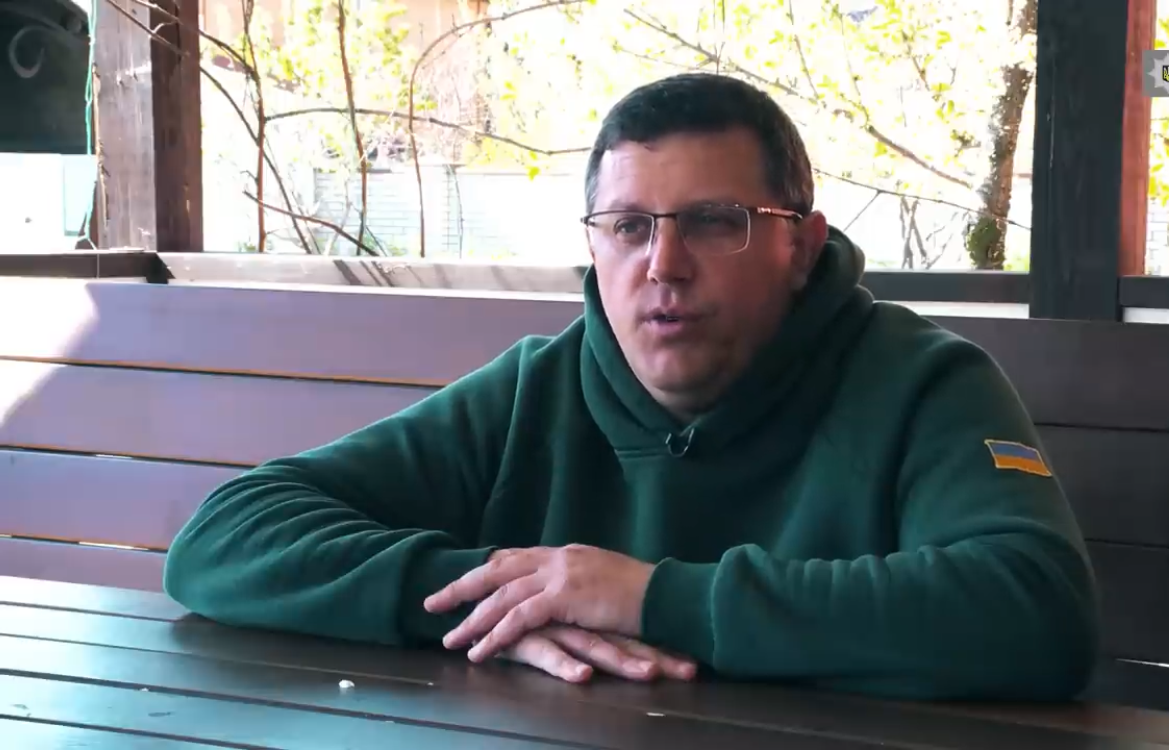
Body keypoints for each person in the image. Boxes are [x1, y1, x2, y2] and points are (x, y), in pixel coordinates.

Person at [164, 72, 1099, 700]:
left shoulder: (924, 384)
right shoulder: (537, 389)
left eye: (715, 222)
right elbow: (226, 535)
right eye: (628, 226)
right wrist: (502, 603)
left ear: (801, 247)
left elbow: (1035, 610)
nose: (664, 265)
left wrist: (651, 599)